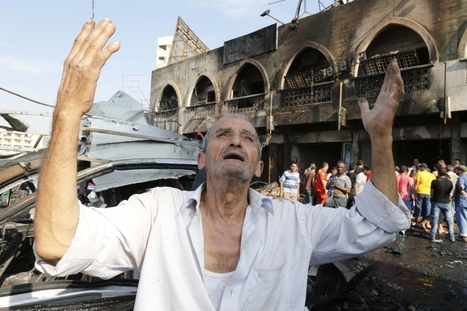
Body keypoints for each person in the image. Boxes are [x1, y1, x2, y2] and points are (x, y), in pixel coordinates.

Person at [33, 18, 410, 310]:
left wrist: (380, 138)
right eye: (223, 134)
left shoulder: (295, 223)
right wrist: (67, 113)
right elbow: (56, 241)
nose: (235, 140)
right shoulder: (156, 214)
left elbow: (377, 225)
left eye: (248, 138)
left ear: (259, 167)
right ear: (202, 158)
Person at [429, 168, 455, 242]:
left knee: (435, 219)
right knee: (449, 220)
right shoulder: (450, 182)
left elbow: (432, 192)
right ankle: (452, 237)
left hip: (436, 201)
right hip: (446, 202)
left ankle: (432, 236)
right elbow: (449, 193)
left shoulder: (434, 181)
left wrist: (432, 199)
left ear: (438, 173)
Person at [413, 163, 436, 231]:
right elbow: (433, 185)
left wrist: (415, 193)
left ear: (423, 167)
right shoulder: (432, 175)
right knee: (428, 207)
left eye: (420, 167)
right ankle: (427, 223)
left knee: (418, 206)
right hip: (428, 192)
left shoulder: (419, 174)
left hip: (420, 191)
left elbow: (416, 184)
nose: (419, 168)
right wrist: (432, 194)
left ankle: (417, 221)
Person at [455, 165, 467, 242]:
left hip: (462, 200)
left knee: (462, 217)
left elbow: (461, 185)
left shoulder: (461, 177)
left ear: (460, 171)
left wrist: (462, 191)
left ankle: (463, 234)